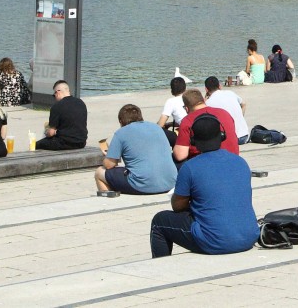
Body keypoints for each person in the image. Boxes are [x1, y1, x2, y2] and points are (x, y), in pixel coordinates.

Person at [149, 114, 259, 258]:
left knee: (159, 221)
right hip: (249, 236)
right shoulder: (241, 162)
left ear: (193, 141)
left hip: (215, 241)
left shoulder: (190, 167)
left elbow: (178, 206)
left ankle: (161, 269)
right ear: (222, 135)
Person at [97, 104, 177, 195]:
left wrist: (108, 156)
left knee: (99, 172)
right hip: (170, 182)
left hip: (142, 185)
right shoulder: (157, 128)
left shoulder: (121, 133)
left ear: (120, 121)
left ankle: (107, 197)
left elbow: (109, 165)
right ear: (140, 117)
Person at [174, 89, 239, 162]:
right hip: (233, 159)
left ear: (186, 108)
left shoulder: (187, 120)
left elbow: (180, 156)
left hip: (207, 163)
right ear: (204, 101)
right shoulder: (224, 113)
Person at [36, 80, 87, 150]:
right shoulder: (81, 103)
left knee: (36, 144)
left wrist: (46, 132)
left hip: (64, 142)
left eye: (54, 95)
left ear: (58, 92)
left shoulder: (57, 106)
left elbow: (51, 133)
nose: (55, 97)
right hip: (81, 142)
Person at [203, 76, 249, 145]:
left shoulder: (208, 103)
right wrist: (239, 118)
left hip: (229, 139)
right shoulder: (230, 93)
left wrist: (204, 100)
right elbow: (244, 104)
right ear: (219, 86)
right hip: (244, 136)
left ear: (206, 89)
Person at [157, 76, 188, 145]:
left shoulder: (171, 101)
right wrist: (170, 124)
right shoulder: (189, 98)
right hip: (194, 129)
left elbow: (160, 124)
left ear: (172, 90)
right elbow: (183, 118)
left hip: (185, 134)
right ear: (185, 88)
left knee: (158, 131)